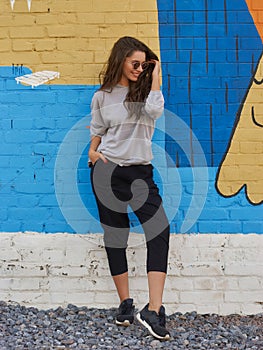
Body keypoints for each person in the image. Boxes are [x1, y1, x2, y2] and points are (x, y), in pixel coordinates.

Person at [88, 36, 170, 341]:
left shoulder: (147, 93)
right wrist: (93, 154)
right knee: (116, 235)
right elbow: (97, 132)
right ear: (120, 60)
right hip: (106, 173)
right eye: (134, 63)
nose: (139, 68)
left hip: (140, 175)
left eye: (143, 64)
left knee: (159, 230)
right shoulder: (102, 96)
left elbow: (157, 112)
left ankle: (154, 309)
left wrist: (155, 74)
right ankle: (125, 303)